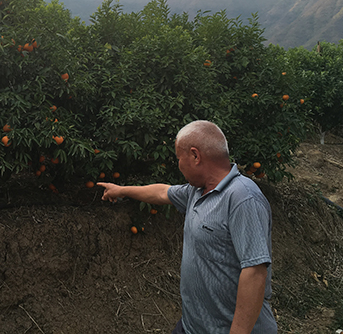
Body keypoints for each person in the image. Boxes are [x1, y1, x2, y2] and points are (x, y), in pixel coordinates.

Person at [97, 120, 278, 334]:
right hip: (193, 325)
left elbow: (255, 272)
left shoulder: (242, 198)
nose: (179, 165)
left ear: (195, 155)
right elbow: (162, 192)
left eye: (178, 158)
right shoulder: (196, 191)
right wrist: (122, 190)